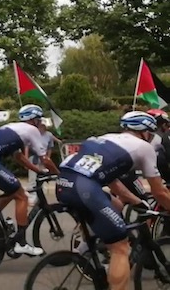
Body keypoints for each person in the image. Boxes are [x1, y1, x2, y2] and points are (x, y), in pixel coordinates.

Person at [56, 111, 170, 290]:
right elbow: (160, 192)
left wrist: (135, 201)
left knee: (116, 205)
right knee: (121, 247)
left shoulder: (105, 138)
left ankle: (89, 245)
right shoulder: (144, 147)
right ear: (145, 132)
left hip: (64, 184)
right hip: (85, 189)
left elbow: (112, 180)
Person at [0, 104, 60, 256]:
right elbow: (45, 158)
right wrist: (58, 173)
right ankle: (21, 243)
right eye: (39, 120)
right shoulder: (31, 130)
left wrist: (37, 171)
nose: (40, 123)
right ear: (34, 120)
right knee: (22, 196)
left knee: (13, 190)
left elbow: (18, 157)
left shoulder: (14, 128)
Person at [25, 119, 63, 205]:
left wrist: (48, 158)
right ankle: (31, 197)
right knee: (32, 176)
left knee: (43, 176)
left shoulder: (48, 135)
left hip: (43, 157)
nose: (43, 127)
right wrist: (26, 159)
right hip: (34, 157)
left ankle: (39, 198)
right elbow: (26, 147)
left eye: (44, 126)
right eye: (41, 126)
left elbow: (50, 147)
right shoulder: (33, 134)